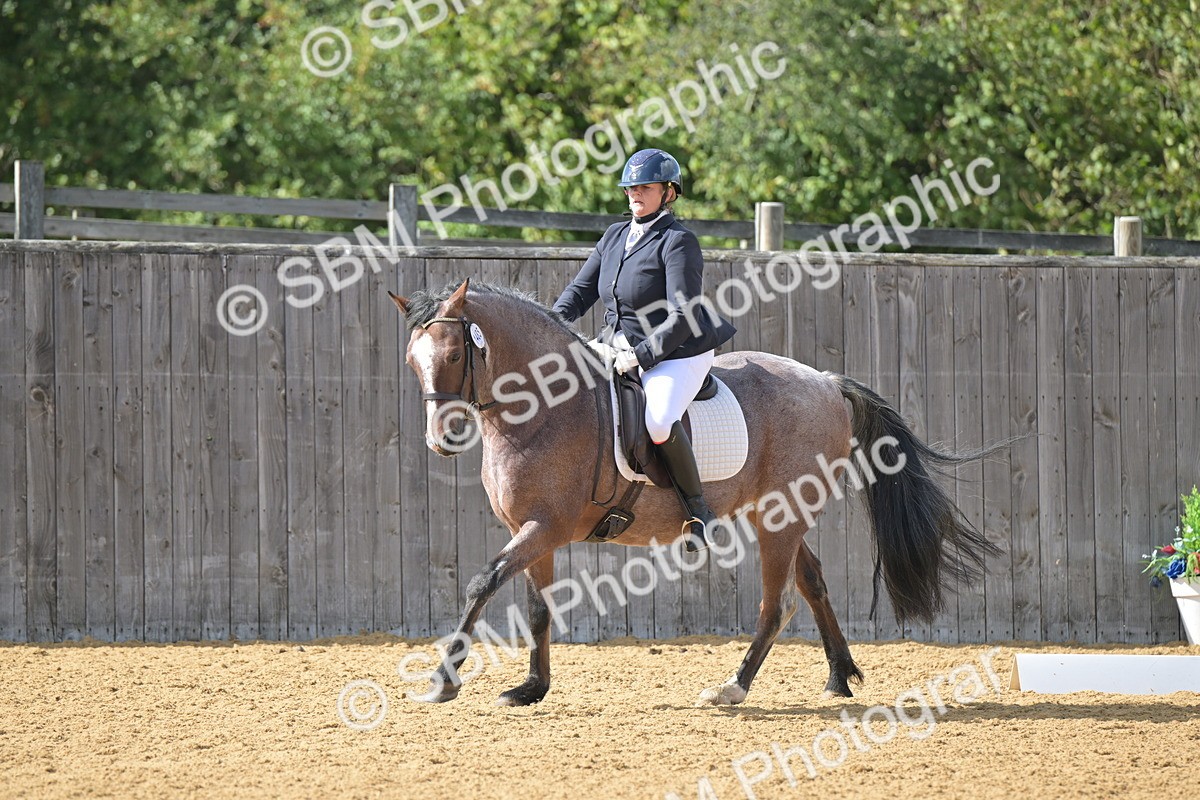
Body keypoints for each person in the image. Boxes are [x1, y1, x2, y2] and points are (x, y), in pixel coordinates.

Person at [552, 148, 736, 551]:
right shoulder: (614, 236)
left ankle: (699, 512)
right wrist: (548, 326)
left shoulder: (678, 241)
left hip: (678, 349)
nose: (635, 193)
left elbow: (683, 313)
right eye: (630, 187)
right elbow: (579, 293)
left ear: (669, 193)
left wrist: (640, 356)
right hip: (616, 344)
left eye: (645, 187)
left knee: (657, 420)